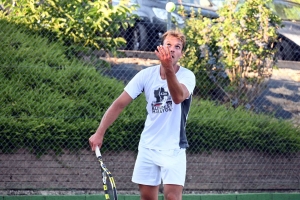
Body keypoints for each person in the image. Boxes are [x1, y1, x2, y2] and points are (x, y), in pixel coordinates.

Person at [89, 29, 196, 200]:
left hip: (174, 148)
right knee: (147, 198)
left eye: (177, 47)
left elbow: (177, 98)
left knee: (172, 198)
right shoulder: (145, 75)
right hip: (148, 147)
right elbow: (119, 104)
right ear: (161, 48)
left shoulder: (187, 76)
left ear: (181, 53)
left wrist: (168, 68)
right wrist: (99, 132)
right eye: (169, 45)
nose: (173, 49)